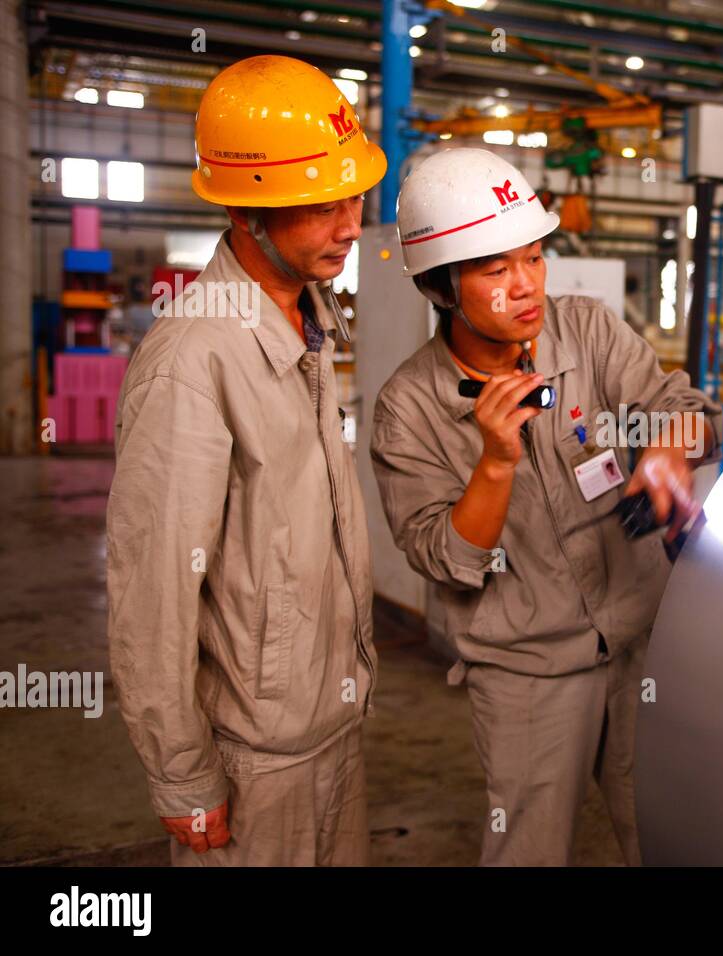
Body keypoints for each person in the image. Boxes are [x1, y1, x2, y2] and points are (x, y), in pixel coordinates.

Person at [371, 148, 722, 866]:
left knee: (671, 832)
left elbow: (686, 408)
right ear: (442, 287)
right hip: (526, 674)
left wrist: (669, 447)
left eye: (533, 258)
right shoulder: (409, 408)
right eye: (496, 270)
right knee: (527, 851)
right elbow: (444, 556)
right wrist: (495, 463)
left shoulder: (586, 331)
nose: (526, 286)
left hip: (641, 642)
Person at [106, 55, 386, 866]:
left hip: (332, 728)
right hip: (252, 760)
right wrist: (185, 778)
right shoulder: (194, 359)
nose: (347, 224)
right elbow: (152, 590)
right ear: (247, 211)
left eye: (353, 194)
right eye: (319, 205)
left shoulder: (306, 321)